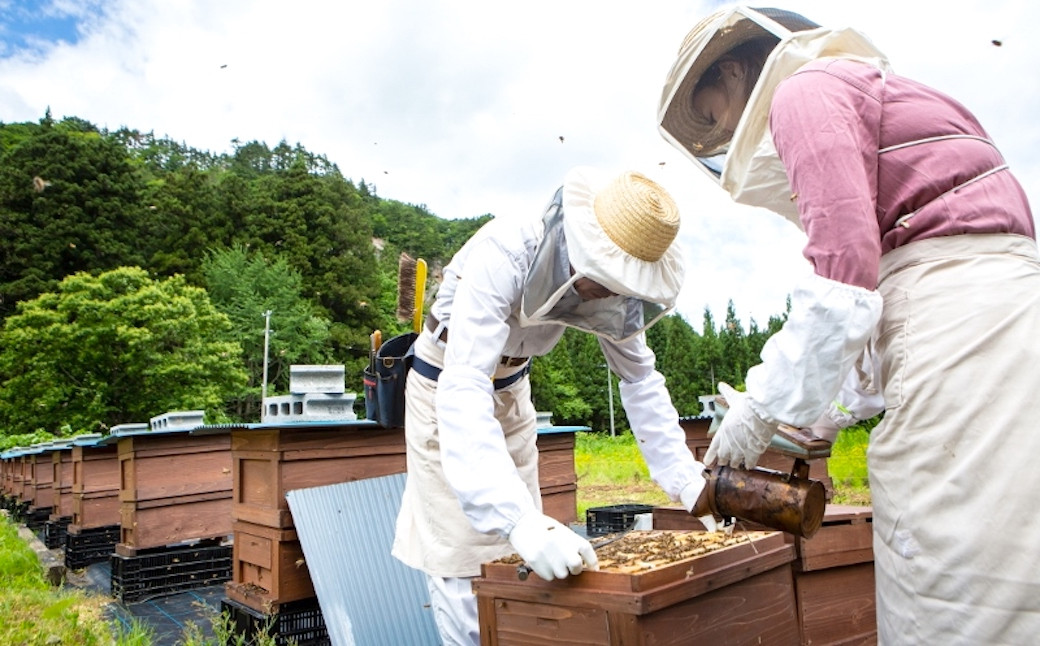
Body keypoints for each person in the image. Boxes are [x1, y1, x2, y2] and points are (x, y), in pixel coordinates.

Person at [658, 6, 1040, 644]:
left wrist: (757, 413)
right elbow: (893, 290)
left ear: (733, 70)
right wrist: (827, 410)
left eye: (716, 112)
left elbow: (843, 273)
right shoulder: (891, 90)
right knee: (1012, 551)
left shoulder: (803, 90)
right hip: (1005, 319)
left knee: (945, 571)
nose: (724, 130)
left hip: (959, 334)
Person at [391, 166, 716, 645]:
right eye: (605, 281)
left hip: (513, 390)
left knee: (524, 550)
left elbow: (641, 380)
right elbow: (464, 387)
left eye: (622, 286)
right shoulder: (505, 252)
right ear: (579, 249)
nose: (608, 296)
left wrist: (689, 484)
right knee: (464, 553)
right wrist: (517, 521)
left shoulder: (615, 289)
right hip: (447, 383)